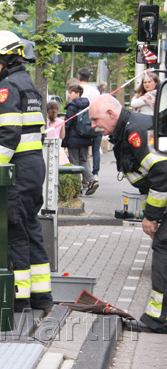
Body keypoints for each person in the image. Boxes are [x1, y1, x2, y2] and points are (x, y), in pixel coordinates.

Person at [0, 30, 52, 313]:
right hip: (33, 166)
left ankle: (20, 299)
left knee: (15, 232)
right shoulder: (29, 85)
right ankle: (42, 296)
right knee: (31, 229)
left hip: (16, 169)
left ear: (6, 60)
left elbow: (8, 133)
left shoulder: (7, 87)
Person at [90, 95, 167, 334]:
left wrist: (151, 217)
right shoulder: (126, 131)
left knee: (163, 249)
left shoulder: (136, 132)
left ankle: (159, 320)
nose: (93, 125)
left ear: (111, 114)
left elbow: (162, 172)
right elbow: (148, 182)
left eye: (95, 119)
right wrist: (151, 215)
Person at [62, 84, 98, 195]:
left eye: (70, 92)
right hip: (85, 137)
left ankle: (77, 187)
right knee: (83, 161)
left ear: (77, 93)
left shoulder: (72, 106)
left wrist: (63, 136)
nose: (68, 95)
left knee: (74, 162)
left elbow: (67, 123)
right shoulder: (87, 105)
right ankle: (92, 180)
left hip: (73, 139)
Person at [46, 101, 69, 165]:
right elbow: (62, 136)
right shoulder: (61, 122)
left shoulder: (44, 121)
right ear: (58, 111)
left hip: (46, 147)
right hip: (57, 147)